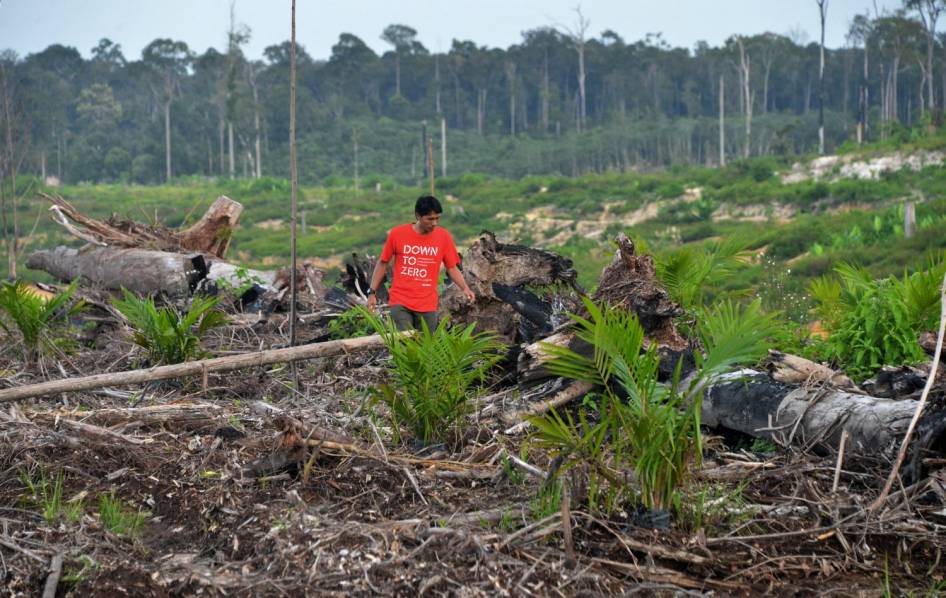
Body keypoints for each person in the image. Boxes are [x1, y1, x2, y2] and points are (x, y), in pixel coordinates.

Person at [366, 195, 475, 331]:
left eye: (437, 218)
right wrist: (372, 292)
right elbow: (383, 263)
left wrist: (465, 288)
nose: (434, 223)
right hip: (400, 301)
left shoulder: (443, 237)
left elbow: (451, 268)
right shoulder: (398, 234)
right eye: (430, 219)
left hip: (427, 303)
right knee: (406, 344)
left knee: (426, 347)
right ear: (418, 216)